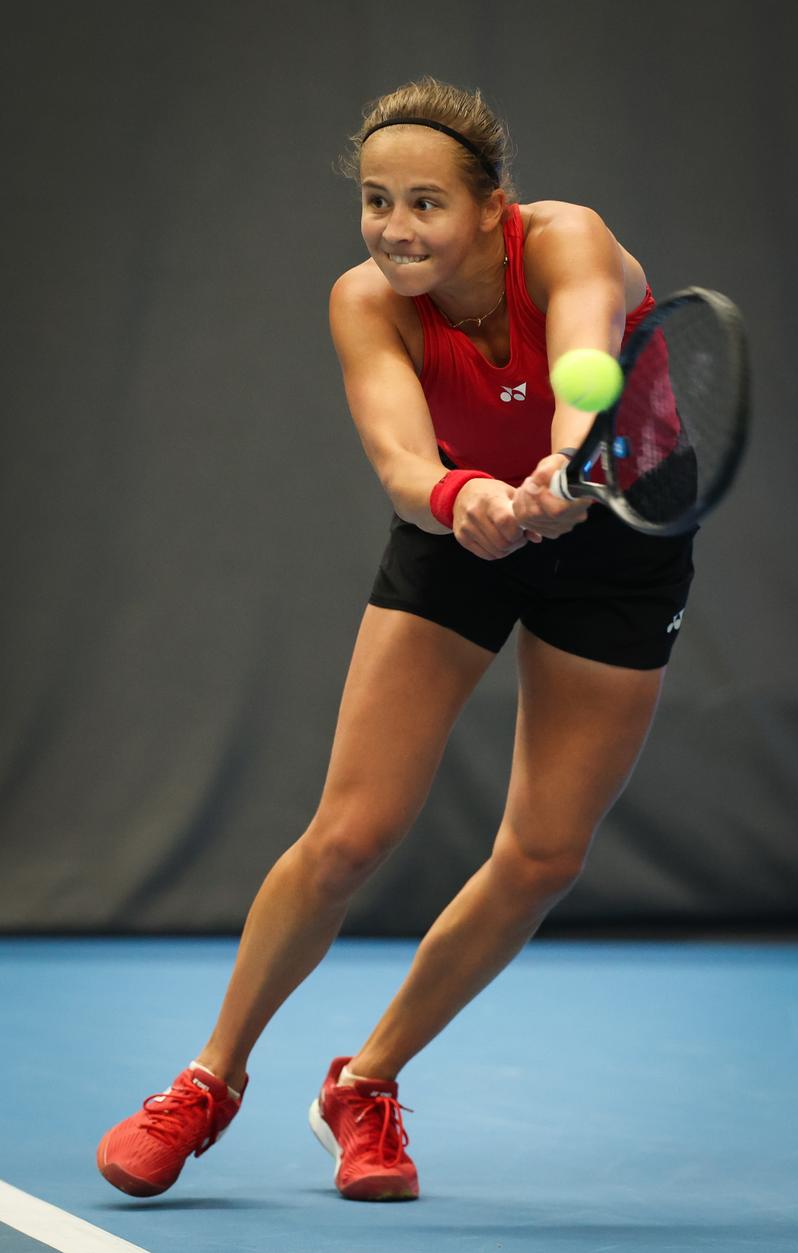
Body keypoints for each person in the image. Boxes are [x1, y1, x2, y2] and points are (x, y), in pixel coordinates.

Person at [97, 77, 695, 1203]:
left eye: (425, 203)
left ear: (489, 209)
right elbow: (399, 460)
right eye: (377, 201)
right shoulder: (364, 299)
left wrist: (567, 460)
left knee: (544, 857)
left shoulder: (569, 241)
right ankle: (206, 1078)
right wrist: (461, 495)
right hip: (461, 531)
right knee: (349, 836)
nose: (395, 227)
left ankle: (363, 1083)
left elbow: (584, 359)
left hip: (617, 538)